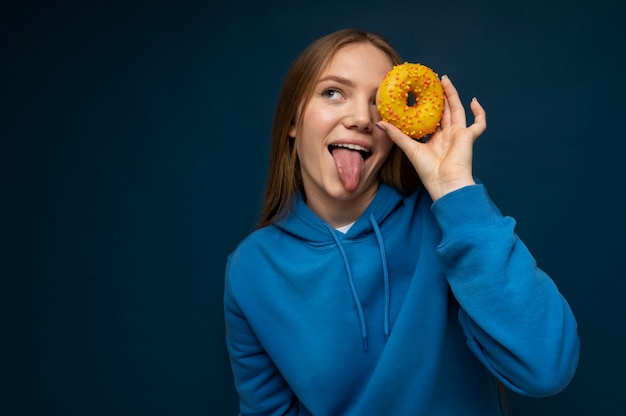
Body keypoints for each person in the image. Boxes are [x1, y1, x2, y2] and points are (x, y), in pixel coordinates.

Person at [223, 28, 579, 415]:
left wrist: (455, 191)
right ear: (292, 120)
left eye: (378, 102)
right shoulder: (251, 269)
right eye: (333, 92)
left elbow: (547, 368)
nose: (361, 118)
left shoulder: (448, 217)